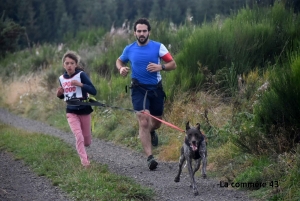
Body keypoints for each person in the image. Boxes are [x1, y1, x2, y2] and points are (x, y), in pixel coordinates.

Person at [116, 18, 177, 170]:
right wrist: (121, 69)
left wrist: (160, 67)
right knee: (144, 120)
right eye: (139, 31)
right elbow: (119, 60)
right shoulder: (129, 49)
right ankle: (150, 158)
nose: (142, 34)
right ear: (135, 32)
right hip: (138, 89)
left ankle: (152, 131)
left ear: (149, 32)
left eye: (144, 31)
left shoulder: (158, 47)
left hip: (156, 89)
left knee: (156, 122)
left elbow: (173, 64)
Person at [56, 50, 97, 168]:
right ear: (63, 65)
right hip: (71, 111)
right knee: (78, 136)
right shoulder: (61, 78)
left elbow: (94, 91)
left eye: (72, 63)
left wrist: (81, 85)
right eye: (67, 63)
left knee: (87, 141)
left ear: (76, 64)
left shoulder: (81, 75)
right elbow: (65, 96)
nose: (69, 65)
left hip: (84, 109)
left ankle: (86, 145)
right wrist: (59, 95)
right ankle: (85, 162)